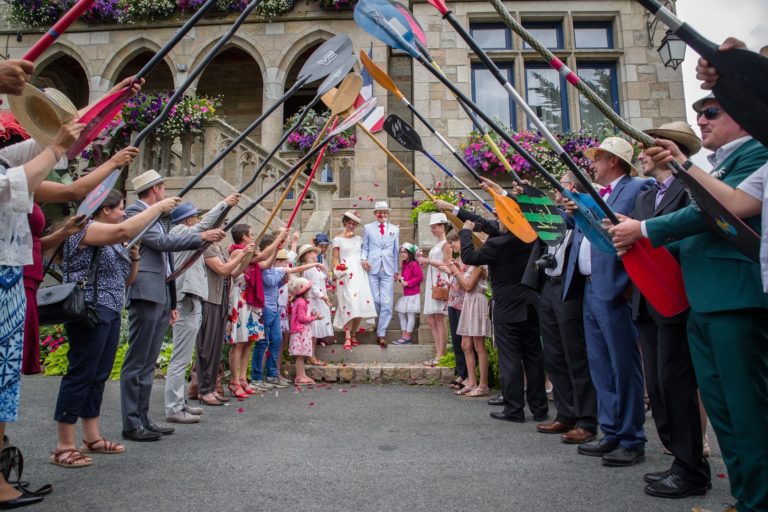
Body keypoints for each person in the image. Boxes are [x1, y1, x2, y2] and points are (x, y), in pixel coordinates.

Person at [609, 93, 768, 512]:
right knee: (724, 411)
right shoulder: (719, 166)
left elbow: (714, 212)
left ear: (748, 115)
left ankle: (759, 499)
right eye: (699, 112)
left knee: (746, 410)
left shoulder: (756, 154)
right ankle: (746, 496)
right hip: (703, 296)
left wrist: (645, 229)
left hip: (734, 297)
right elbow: (696, 229)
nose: (701, 118)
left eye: (712, 111)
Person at [51, 191, 180, 467]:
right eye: (120, 207)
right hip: (87, 308)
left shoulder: (113, 242)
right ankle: (63, 445)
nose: (123, 212)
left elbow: (127, 280)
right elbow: (124, 228)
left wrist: (133, 257)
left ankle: (92, 436)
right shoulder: (82, 229)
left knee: (98, 375)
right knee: (80, 373)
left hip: (109, 309)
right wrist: (157, 207)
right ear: (105, 210)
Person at [0, 113, 83, 508]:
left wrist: (99, 110)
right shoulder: (9, 171)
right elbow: (12, 184)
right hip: (4, 276)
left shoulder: (8, 159)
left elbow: (46, 146)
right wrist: (56, 146)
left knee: (4, 383)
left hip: (11, 276)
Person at [625, 123, 711, 498]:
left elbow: (693, 229)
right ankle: (679, 458)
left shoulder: (692, 187)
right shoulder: (645, 198)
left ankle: (693, 467)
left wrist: (643, 234)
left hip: (679, 296)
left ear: (668, 149)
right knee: (658, 385)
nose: (639, 154)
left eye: (645, 148)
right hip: (647, 299)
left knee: (678, 386)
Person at [561, 137, 651, 467]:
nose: (592, 165)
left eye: (597, 159)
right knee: (600, 364)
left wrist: (630, 284)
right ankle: (611, 430)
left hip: (615, 288)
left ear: (613, 160)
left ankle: (632, 437)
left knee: (623, 364)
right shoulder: (598, 194)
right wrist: (573, 211)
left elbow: (637, 231)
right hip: (589, 287)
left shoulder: (639, 187)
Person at [121, 170, 225, 442]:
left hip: (160, 293)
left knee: (147, 363)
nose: (166, 191)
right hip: (144, 292)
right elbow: (160, 243)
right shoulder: (136, 211)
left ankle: (144, 419)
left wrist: (171, 300)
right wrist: (201, 238)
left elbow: (166, 262)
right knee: (137, 361)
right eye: (163, 187)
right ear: (154, 189)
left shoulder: (155, 217)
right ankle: (131, 422)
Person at [435, 195, 547, 424]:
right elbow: (485, 223)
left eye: (500, 218)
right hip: (529, 305)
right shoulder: (530, 237)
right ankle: (539, 409)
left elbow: (469, 256)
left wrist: (465, 232)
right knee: (533, 357)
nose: (496, 221)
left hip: (507, 307)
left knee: (510, 358)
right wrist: (456, 210)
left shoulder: (497, 244)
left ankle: (514, 409)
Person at [530, 172, 597, 444]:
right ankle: (565, 414)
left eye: (561, 183)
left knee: (575, 355)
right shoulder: (557, 216)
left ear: (571, 187)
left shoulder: (580, 213)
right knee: (554, 354)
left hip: (569, 291)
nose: (555, 189)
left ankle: (586, 419)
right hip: (549, 286)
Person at [164, 196, 238, 424]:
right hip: (185, 299)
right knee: (179, 358)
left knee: (184, 358)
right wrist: (223, 204)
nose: (198, 220)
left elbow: (207, 227)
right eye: (195, 216)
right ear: (188, 220)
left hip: (193, 298)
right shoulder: (178, 233)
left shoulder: (189, 236)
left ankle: (180, 402)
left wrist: (225, 210)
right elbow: (204, 227)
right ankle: (173, 407)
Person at [227, 227, 285, 396]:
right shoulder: (236, 252)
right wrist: (278, 238)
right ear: (244, 237)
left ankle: (244, 379)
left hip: (251, 299)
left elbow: (266, 263)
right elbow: (262, 257)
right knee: (238, 341)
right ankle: (234, 380)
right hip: (240, 297)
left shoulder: (249, 253)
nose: (253, 237)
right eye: (251, 234)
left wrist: (277, 248)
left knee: (248, 341)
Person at [256, 245, 321, 389]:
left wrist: (315, 264)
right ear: (276, 261)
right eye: (283, 261)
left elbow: (296, 270)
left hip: (279, 309)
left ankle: (274, 374)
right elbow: (272, 282)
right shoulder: (269, 271)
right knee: (263, 343)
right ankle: (258, 377)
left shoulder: (279, 271)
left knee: (277, 341)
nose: (287, 264)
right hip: (268, 308)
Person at [195, 239, 241, 406]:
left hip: (221, 300)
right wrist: (241, 254)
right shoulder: (206, 246)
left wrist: (246, 257)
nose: (223, 227)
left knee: (216, 348)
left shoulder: (220, 248)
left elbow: (234, 272)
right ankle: (203, 389)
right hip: (209, 299)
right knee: (206, 347)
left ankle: (211, 387)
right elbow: (222, 270)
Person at [332, 210, 377, 350]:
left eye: (354, 224)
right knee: (349, 302)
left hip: (359, 273)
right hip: (346, 273)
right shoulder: (337, 239)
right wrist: (339, 268)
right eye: (349, 223)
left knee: (359, 304)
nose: (351, 226)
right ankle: (346, 336)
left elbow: (364, 254)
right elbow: (335, 259)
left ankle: (353, 334)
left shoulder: (359, 239)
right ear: (345, 223)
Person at [449, 259, 491, 398]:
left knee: (479, 345)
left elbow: (468, 286)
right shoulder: (471, 265)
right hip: (468, 301)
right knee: (465, 345)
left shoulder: (480, 265)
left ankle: (483, 385)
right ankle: (471, 382)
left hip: (477, 301)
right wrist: (457, 270)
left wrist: (456, 272)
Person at [361, 201, 400, 347]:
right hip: (372, 268)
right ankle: (378, 323)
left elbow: (396, 251)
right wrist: (363, 259)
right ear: (375, 214)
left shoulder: (395, 229)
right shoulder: (368, 228)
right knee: (375, 300)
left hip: (388, 270)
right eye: (379, 212)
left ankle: (381, 333)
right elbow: (365, 247)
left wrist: (396, 270)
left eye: (384, 212)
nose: (382, 214)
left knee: (387, 303)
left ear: (387, 213)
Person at [419, 213, 451, 365]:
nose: (432, 230)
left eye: (435, 227)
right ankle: (438, 352)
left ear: (442, 226)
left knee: (439, 318)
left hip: (441, 280)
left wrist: (429, 261)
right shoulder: (436, 244)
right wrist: (423, 261)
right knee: (431, 319)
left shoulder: (446, 244)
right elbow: (430, 264)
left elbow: (448, 266)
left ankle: (441, 354)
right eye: (431, 227)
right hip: (433, 279)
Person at [297, 244, 333, 364]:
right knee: (313, 330)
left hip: (317, 299)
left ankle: (311, 354)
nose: (316, 255)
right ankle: (311, 356)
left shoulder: (314, 268)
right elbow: (313, 287)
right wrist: (323, 297)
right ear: (308, 255)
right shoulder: (310, 269)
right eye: (314, 253)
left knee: (315, 331)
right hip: (314, 300)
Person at [444, 233, 469, 387]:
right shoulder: (459, 257)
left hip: (463, 302)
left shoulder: (469, 257)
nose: (451, 245)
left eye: (453, 242)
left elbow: (467, 281)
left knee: (464, 340)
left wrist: (457, 270)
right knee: (455, 339)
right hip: (453, 301)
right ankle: (460, 372)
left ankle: (467, 375)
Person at [288, 277, 321, 385]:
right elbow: (302, 318)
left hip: (302, 331)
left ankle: (302, 374)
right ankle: (299, 376)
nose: (310, 291)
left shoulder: (300, 301)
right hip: (300, 332)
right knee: (300, 355)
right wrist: (314, 318)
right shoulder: (301, 302)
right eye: (309, 289)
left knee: (301, 355)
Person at [393, 242, 423, 345]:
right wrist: (401, 280)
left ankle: (408, 337)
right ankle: (404, 335)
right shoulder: (405, 264)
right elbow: (406, 278)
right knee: (401, 313)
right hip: (407, 294)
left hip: (414, 294)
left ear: (410, 253)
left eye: (405, 252)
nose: (402, 254)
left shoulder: (414, 264)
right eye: (401, 252)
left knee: (410, 315)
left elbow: (419, 277)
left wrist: (408, 283)